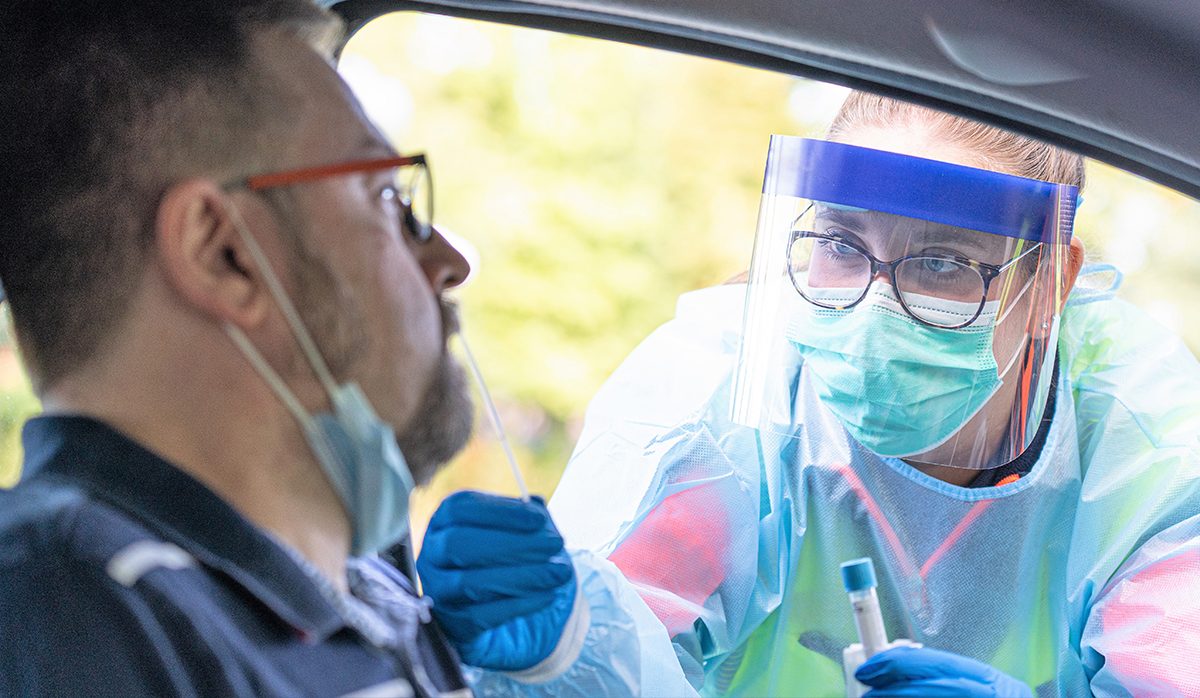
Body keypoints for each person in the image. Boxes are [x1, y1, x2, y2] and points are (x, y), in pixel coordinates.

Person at [424, 92, 1200, 696]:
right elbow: (623, 643)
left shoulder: (1147, 450)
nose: (870, 310)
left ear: (1049, 286)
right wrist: (564, 644)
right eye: (839, 245)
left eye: (942, 264)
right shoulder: (716, 395)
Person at [0, 2, 636, 695]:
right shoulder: (67, 613)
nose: (451, 260)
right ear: (225, 253)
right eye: (386, 195)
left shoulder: (360, 593)